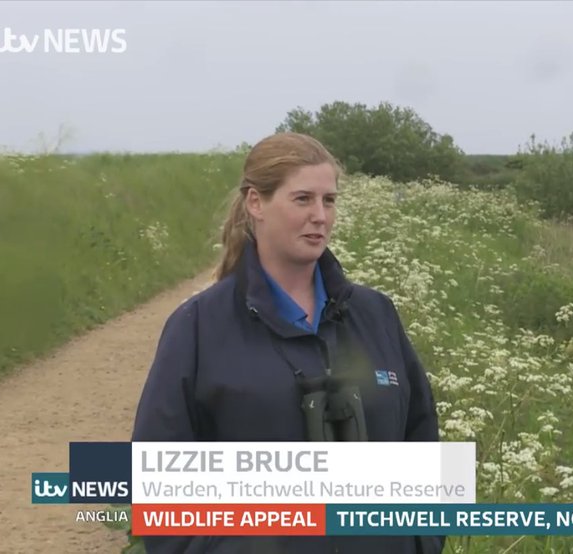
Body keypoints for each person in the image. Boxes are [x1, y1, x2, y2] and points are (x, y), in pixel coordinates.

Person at [130, 132, 445, 554]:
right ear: (255, 204)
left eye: (328, 201)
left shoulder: (376, 315)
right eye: (302, 199)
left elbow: (422, 443)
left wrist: (417, 541)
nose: (320, 216)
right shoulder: (199, 327)